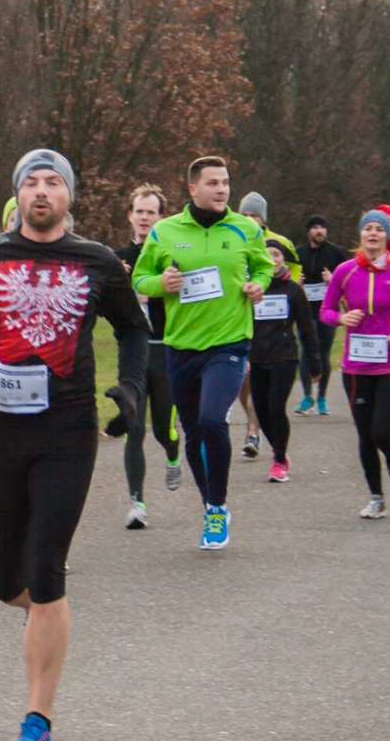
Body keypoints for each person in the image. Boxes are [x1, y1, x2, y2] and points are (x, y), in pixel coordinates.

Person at [0, 149, 148, 741]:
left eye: (54, 181)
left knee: (46, 569)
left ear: (69, 196)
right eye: (31, 181)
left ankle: (37, 724)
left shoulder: (97, 260)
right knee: (7, 583)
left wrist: (132, 389)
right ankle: (52, 617)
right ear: (18, 195)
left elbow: (134, 330)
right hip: (0, 427)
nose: (42, 190)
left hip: (68, 430)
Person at [132, 155, 272, 549]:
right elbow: (140, 278)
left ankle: (217, 505)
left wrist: (258, 285)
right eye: (213, 183)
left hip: (229, 342)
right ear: (193, 189)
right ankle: (210, 503)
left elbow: (264, 268)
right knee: (193, 431)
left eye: (225, 182)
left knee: (213, 419)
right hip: (181, 345)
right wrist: (161, 283)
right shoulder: (165, 231)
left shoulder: (246, 228)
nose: (222, 189)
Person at [319, 209, 390, 518]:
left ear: (386, 236)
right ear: (361, 234)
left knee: (382, 430)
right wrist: (341, 318)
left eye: (379, 229)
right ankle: (376, 498)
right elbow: (325, 310)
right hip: (356, 364)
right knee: (365, 434)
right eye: (367, 228)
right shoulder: (345, 271)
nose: (373, 233)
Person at [113, 183, 184, 529]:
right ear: (130, 216)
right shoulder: (117, 258)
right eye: (139, 212)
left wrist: (156, 286)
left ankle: (173, 452)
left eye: (150, 212)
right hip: (133, 354)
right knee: (134, 428)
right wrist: (118, 282)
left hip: (165, 351)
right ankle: (137, 503)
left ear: (161, 217)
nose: (144, 218)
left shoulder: (171, 254)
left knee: (162, 430)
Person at [247, 237, 321, 483]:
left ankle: (279, 460)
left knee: (276, 407)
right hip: (257, 356)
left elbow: (307, 328)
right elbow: (240, 324)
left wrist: (314, 362)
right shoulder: (252, 289)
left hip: (285, 356)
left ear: (283, 259)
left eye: (277, 255)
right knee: (261, 410)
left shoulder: (294, 290)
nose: (272, 259)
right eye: (267, 255)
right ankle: (279, 449)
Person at [234, 193, 300, 459]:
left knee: (268, 392)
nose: (250, 219)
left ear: (264, 218)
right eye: (245, 215)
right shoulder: (232, 238)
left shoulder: (280, 242)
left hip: (273, 322)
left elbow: (296, 270)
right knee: (244, 379)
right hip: (241, 314)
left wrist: (287, 291)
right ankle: (254, 425)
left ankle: (254, 431)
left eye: (255, 215)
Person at [296, 215, 348, 415]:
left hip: (328, 310)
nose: (320, 231)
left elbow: (349, 279)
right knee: (306, 351)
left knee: (324, 352)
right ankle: (307, 397)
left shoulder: (335, 252)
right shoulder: (299, 253)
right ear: (308, 231)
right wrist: (296, 282)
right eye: (315, 227)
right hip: (306, 311)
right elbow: (287, 277)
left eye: (323, 227)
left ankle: (322, 398)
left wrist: (332, 279)